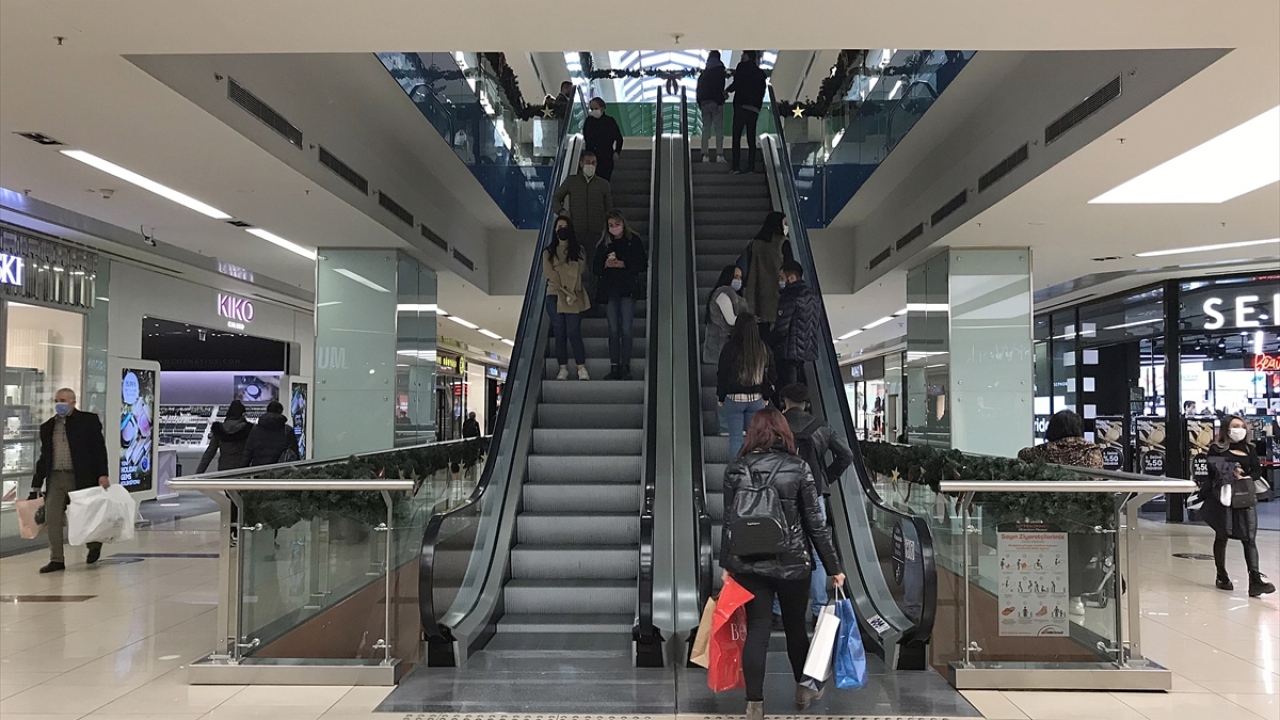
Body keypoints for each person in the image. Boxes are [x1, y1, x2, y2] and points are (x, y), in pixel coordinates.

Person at [721, 406, 845, 718]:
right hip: (793, 563)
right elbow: (815, 524)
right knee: (795, 629)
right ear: (783, 432)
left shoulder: (736, 469)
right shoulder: (798, 468)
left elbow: (729, 522)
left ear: (752, 433)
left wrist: (727, 565)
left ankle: (754, 703)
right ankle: (803, 689)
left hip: (749, 563)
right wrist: (834, 568)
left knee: (758, 630)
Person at [778, 383, 854, 621]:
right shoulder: (821, 426)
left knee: (782, 548)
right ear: (806, 403)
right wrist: (826, 477)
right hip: (814, 492)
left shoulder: (778, 425)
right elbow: (847, 455)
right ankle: (819, 607)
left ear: (785, 401)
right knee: (819, 548)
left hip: (784, 493)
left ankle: (779, 609)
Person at [1017, 410, 1104, 615]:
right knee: (1081, 553)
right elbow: (1098, 480)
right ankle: (1075, 597)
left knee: (1061, 552)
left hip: (1054, 512)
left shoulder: (1045, 451)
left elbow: (1023, 454)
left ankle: (1059, 593)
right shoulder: (1092, 450)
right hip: (1086, 513)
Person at [28, 388, 110, 573]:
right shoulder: (48, 427)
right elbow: (44, 457)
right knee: (53, 518)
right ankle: (56, 559)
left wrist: (102, 474)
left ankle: (94, 544)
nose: (59, 404)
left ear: (73, 402)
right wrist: (36, 483)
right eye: (57, 400)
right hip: (56, 477)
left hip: (80, 476)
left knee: (85, 515)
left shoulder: (88, 421)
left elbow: (99, 450)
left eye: (63, 400)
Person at [1204, 416, 1274, 597]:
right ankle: (1221, 575)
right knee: (1222, 535)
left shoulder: (1249, 449)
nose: (1240, 429)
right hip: (1224, 498)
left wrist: (1246, 477)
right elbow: (1213, 467)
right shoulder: (1216, 448)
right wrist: (1232, 471)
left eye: (1242, 426)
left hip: (1244, 497)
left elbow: (1257, 470)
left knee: (1249, 538)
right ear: (1226, 429)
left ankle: (1255, 579)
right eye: (1235, 426)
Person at [593, 210, 648, 380]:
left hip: (627, 289)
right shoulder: (604, 244)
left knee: (626, 329)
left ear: (623, 224)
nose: (614, 228)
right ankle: (615, 366)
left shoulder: (633, 241)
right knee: (613, 329)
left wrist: (624, 264)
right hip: (610, 290)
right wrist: (606, 264)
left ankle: (625, 366)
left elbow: (642, 264)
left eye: (617, 224)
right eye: (611, 225)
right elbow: (595, 268)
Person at [717, 315, 777, 459]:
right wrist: (766, 396)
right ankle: (753, 468)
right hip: (756, 399)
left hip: (734, 399)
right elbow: (771, 375)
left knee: (735, 438)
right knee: (754, 439)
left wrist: (721, 396)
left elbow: (722, 374)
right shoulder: (763, 348)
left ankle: (736, 469)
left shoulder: (729, 348)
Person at [544, 222, 592, 380]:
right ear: (554, 229)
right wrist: (567, 271)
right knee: (559, 332)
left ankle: (581, 367)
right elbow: (549, 273)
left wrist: (560, 269)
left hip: (574, 295)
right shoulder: (548, 251)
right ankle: (562, 368)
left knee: (573, 331)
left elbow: (580, 270)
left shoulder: (579, 250)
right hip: (554, 295)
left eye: (564, 226)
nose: (562, 229)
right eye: (559, 226)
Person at [772, 260, 821, 389]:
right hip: (807, 351)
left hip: (788, 352)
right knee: (801, 389)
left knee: (788, 388)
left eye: (782, 278)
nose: (780, 281)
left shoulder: (789, 295)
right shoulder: (814, 296)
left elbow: (782, 328)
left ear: (792, 277)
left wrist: (768, 342)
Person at [553, 151, 614, 254]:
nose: (591, 165)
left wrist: (608, 226)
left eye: (593, 162)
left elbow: (609, 208)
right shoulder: (571, 181)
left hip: (597, 232)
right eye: (587, 162)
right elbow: (556, 197)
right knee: (576, 258)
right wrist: (561, 211)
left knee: (594, 259)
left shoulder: (603, 184)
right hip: (576, 231)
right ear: (581, 164)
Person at [742, 212, 793, 332]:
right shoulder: (782, 242)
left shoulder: (754, 244)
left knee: (763, 332)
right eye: (785, 223)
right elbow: (790, 266)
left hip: (758, 296)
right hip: (778, 294)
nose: (786, 226)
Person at [726, 50, 767, 174]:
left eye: (743, 54)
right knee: (751, 138)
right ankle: (751, 167)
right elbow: (762, 92)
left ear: (747, 56)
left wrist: (727, 90)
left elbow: (737, 83)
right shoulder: (760, 74)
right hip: (754, 109)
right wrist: (757, 106)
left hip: (742, 106)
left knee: (737, 136)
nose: (741, 56)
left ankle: (736, 167)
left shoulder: (742, 67)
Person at [703, 264, 749, 365]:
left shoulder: (733, 295)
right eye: (736, 276)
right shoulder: (722, 294)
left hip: (725, 346)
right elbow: (731, 320)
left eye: (740, 277)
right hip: (721, 346)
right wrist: (749, 320)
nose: (739, 280)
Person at [196, 400, 252, 474]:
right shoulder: (248, 430)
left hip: (224, 469)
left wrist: (198, 473)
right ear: (242, 414)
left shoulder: (219, 430)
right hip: (242, 470)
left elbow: (209, 453)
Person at [243, 401, 299, 467]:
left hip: (259, 468)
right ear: (281, 412)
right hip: (280, 469)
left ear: (267, 411)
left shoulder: (256, 429)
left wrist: (243, 467)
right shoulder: (287, 430)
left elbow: (248, 451)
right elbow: (294, 452)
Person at [697, 50, 728, 162]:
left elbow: (699, 90)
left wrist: (700, 103)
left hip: (705, 103)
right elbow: (719, 88)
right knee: (718, 129)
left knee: (706, 129)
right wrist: (721, 100)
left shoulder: (704, 73)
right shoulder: (720, 71)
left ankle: (705, 154)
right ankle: (719, 154)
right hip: (716, 103)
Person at [583, 97, 624, 181]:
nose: (594, 111)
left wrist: (617, 152)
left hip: (606, 156)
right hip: (591, 155)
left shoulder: (609, 121)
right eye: (592, 109)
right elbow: (586, 137)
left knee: (604, 179)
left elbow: (619, 138)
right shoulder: (589, 121)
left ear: (602, 108)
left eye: (596, 108)